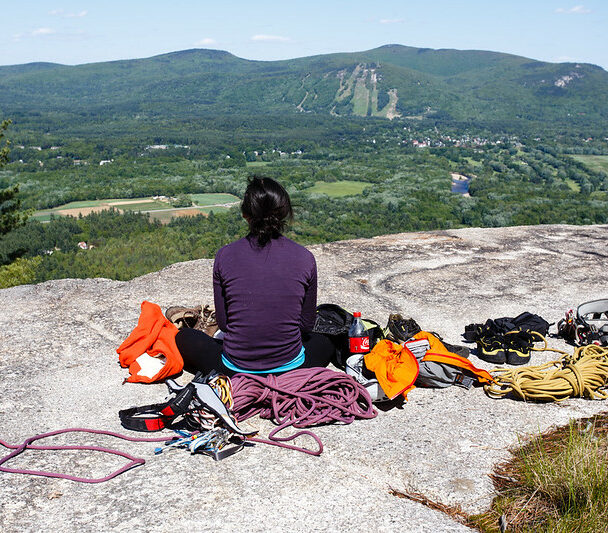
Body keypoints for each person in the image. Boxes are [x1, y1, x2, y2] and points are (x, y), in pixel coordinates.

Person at [175, 176, 334, 376]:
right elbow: (306, 325)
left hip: (234, 369)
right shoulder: (305, 257)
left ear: (244, 214)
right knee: (326, 340)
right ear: (284, 213)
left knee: (184, 337)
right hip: (291, 369)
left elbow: (225, 324)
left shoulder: (225, 256)